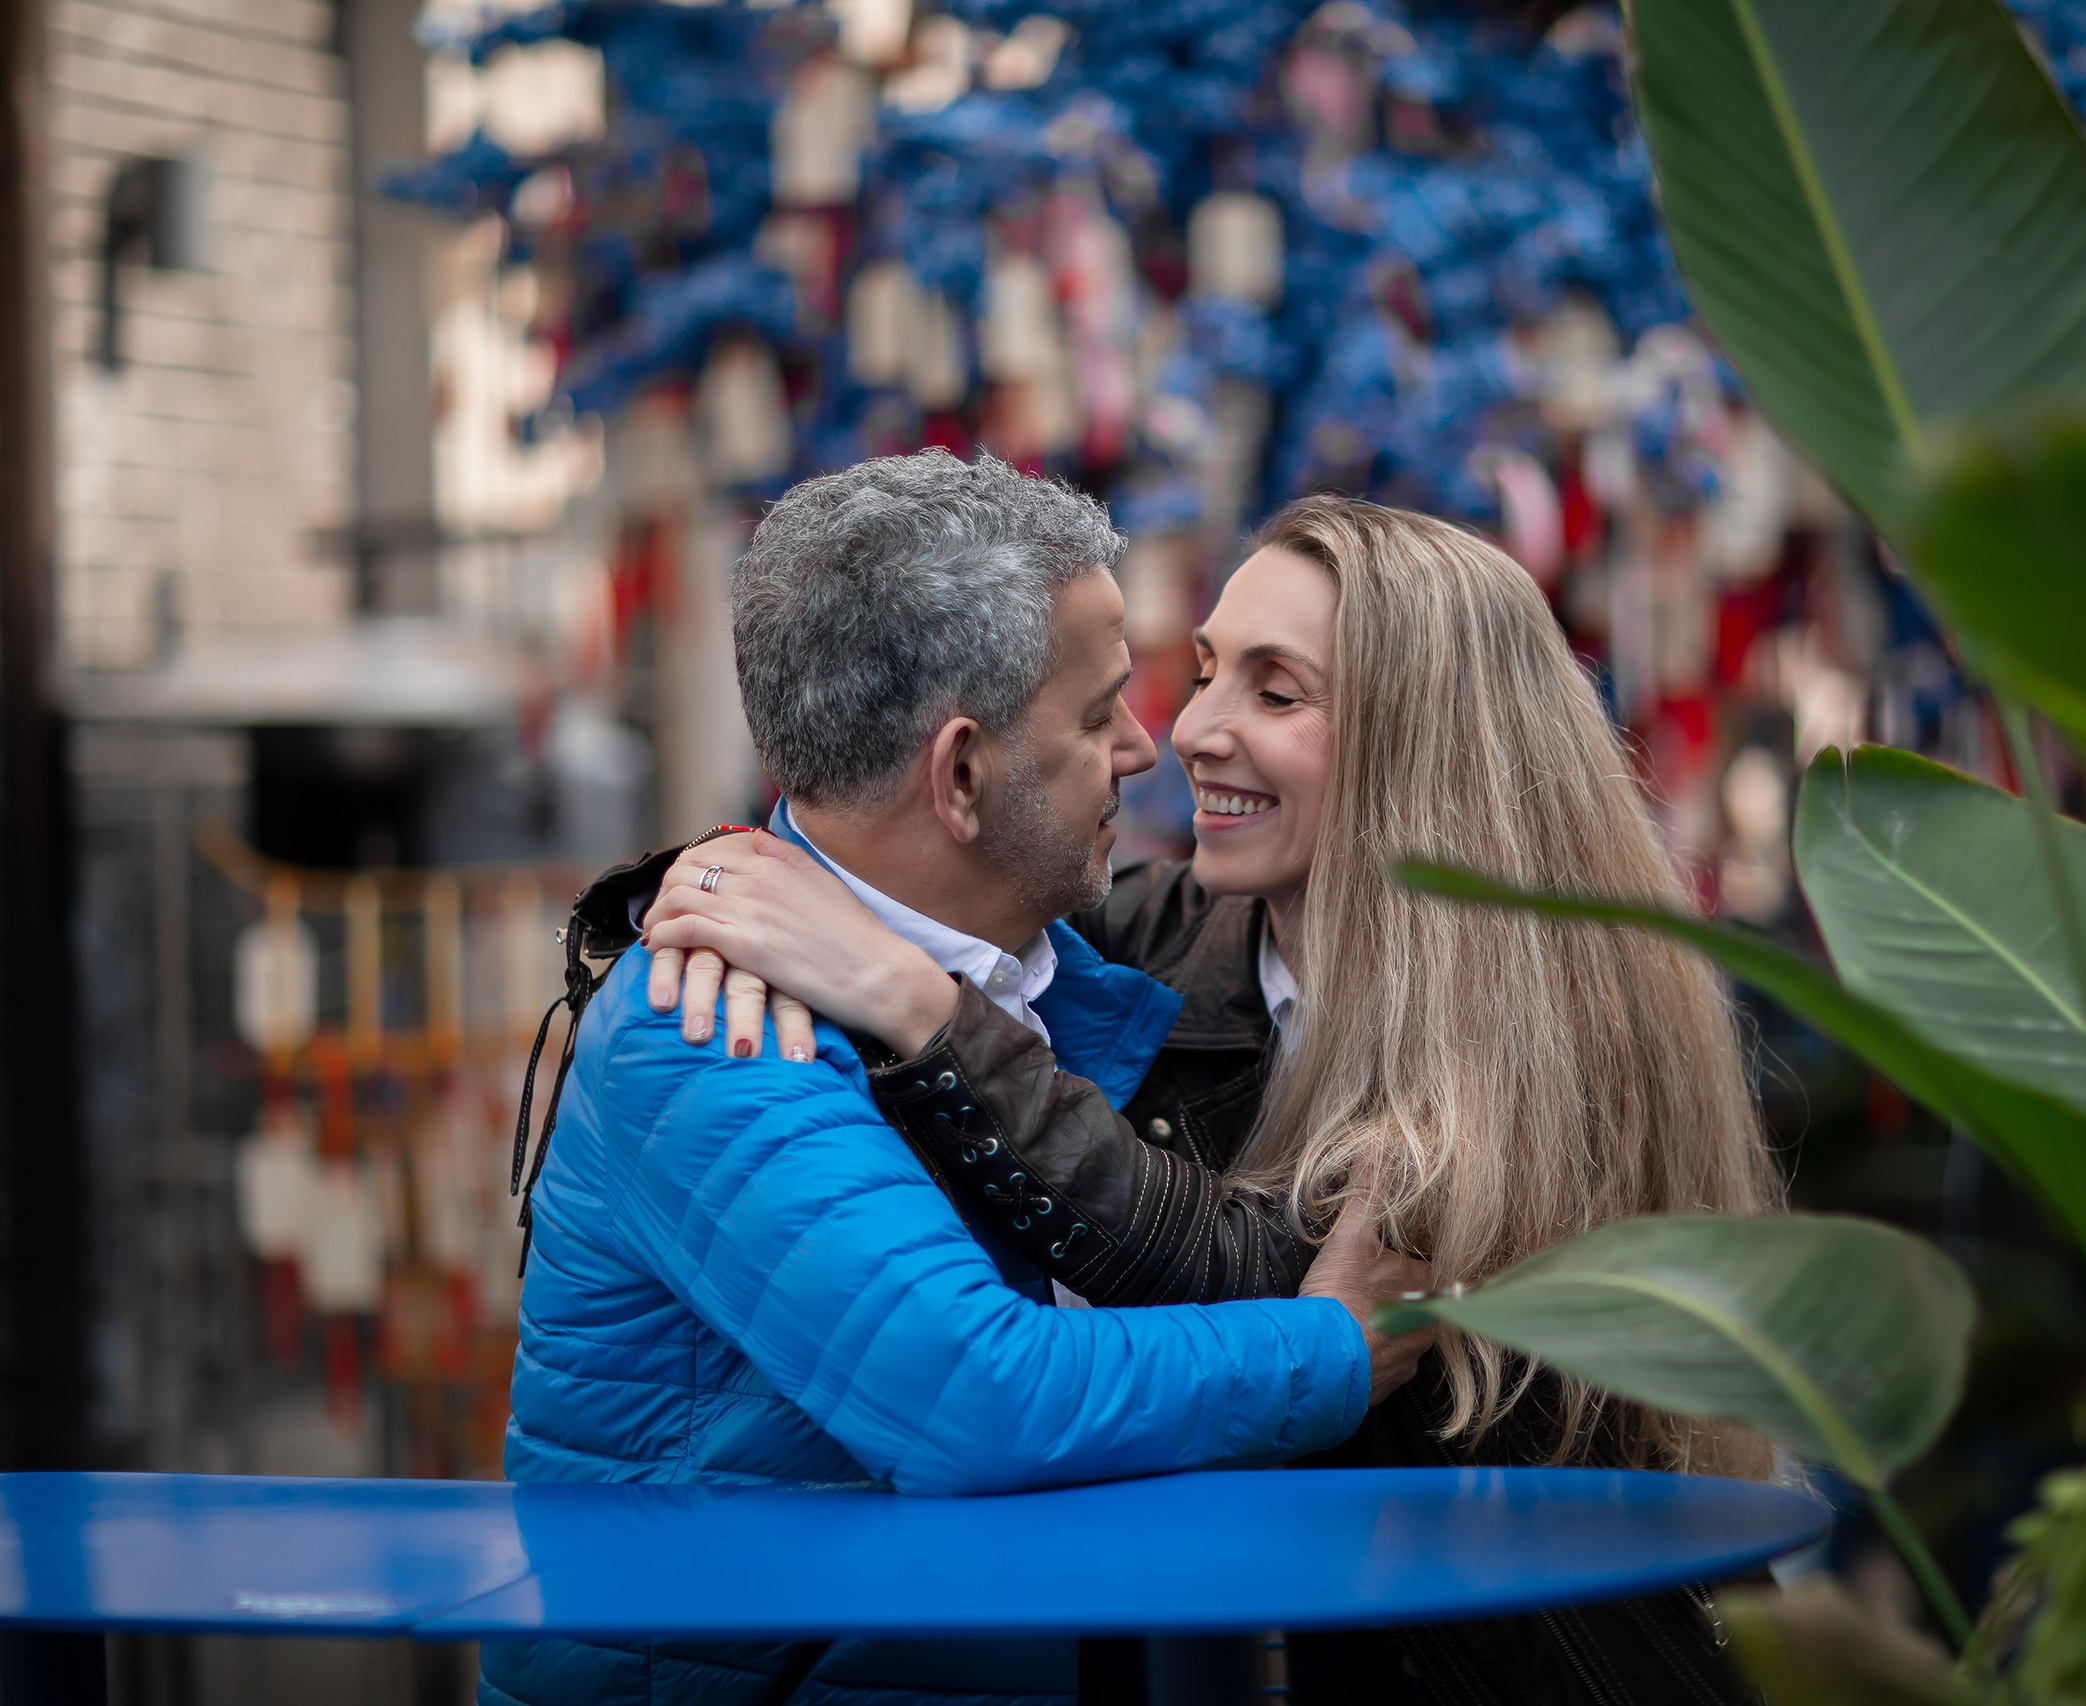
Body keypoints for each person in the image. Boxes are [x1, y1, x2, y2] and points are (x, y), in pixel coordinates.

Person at [636, 496, 1783, 1706]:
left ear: (1428, 740)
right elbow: (928, 877)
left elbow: (1262, 1274)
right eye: (1205, 674)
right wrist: (722, 880)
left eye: (1275, 694)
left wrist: (913, 1003)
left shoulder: (1548, 1014)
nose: (1188, 731)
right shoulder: (1173, 939)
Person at [487, 455, 1432, 1706]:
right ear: (962, 774)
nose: (1151, 746)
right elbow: (977, 1399)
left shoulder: (1046, 966)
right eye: (1100, 715)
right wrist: (1336, 1347)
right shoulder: (708, 1035)